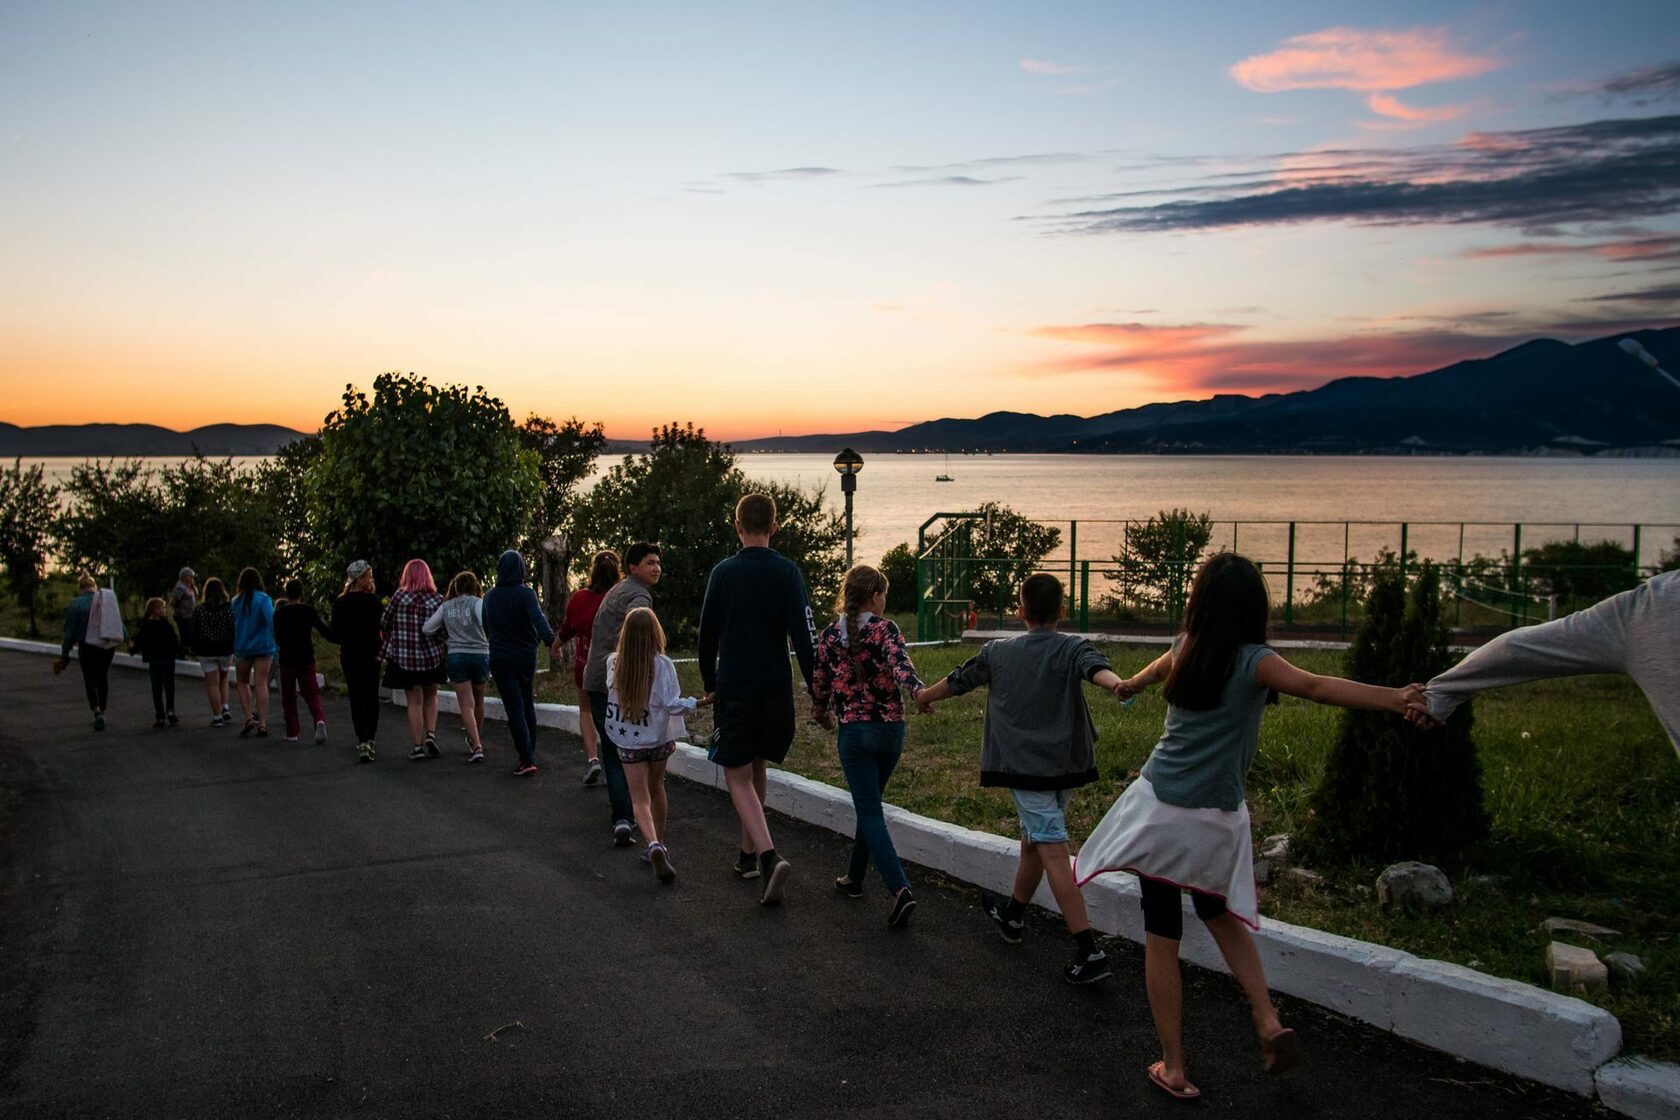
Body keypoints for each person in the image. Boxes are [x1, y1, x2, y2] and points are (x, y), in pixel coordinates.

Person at [1074, 553, 1422, 1102]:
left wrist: (1129, 686)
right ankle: (1265, 1017)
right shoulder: (1256, 661)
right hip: (1216, 818)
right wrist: (1395, 698)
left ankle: (1175, 1067)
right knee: (1220, 914)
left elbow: (1154, 672)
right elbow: (1319, 686)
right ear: (1253, 606)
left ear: (1200, 601)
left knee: (1161, 935)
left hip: (1159, 808)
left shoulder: (1187, 646)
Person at [915, 573, 1127, 982]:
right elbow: (1096, 668)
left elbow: (961, 680)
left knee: (1051, 848)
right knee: (1035, 839)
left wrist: (923, 696)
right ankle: (1012, 915)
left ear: (1020, 612)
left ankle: (1089, 949)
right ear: (1063, 612)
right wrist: (1116, 684)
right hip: (1064, 766)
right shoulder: (1072, 647)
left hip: (1025, 768)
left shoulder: (998, 652)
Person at [1406, 570, 1679, 755]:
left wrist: (1441, 694)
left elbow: (1514, 648)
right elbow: (1515, 649)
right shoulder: (1651, 608)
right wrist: (1442, 693)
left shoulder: (1651, 607)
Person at [697, 493, 818, 904]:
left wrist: (709, 681)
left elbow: (706, 634)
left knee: (735, 773)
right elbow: (805, 638)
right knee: (757, 763)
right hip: (775, 688)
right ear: (775, 526)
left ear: (737, 527)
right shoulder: (788, 572)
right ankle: (747, 856)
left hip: (736, 686)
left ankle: (768, 856)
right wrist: (817, 691)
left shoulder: (723, 573)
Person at [812, 564, 924, 928]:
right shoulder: (885, 628)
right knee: (870, 804)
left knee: (870, 809)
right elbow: (901, 667)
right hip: (890, 731)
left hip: (855, 734)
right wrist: (919, 693)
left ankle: (899, 890)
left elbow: (821, 683)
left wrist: (821, 712)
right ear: (875, 596)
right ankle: (854, 878)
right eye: (884, 594)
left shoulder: (829, 635)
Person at [605, 607, 706, 883]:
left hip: (628, 741)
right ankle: (661, 842)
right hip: (658, 740)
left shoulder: (614, 662)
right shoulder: (663, 665)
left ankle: (652, 844)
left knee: (638, 798)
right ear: (655, 633)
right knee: (657, 787)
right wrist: (699, 702)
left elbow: (611, 692)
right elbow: (672, 704)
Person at [584, 543, 662, 839]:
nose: (656, 568)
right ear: (632, 567)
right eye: (650, 563)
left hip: (597, 678)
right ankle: (626, 818)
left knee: (611, 747)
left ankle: (622, 817)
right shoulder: (639, 596)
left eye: (658, 563)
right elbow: (637, 634)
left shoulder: (618, 589)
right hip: (614, 682)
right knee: (623, 751)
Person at [483, 550, 558, 777]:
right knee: (527, 705)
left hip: (500, 657)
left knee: (514, 708)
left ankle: (526, 758)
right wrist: (549, 641)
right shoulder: (526, 594)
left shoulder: (490, 596)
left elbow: (486, 627)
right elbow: (538, 619)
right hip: (526, 657)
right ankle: (529, 753)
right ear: (521, 569)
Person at [558, 550, 620, 785]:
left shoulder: (579, 598)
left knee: (586, 710)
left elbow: (567, 628)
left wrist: (556, 645)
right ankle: (616, 759)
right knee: (615, 711)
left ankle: (593, 759)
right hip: (615, 664)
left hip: (586, 663)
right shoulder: (620, 597)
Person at [381, 559, 448, 761]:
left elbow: (384, 622)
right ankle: (431, 734)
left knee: (414, 701)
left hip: (406, 659)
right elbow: (443, 631)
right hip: (432, 658)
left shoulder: (399, 597)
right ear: (428, 576)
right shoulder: (437, 600)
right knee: (432, 695)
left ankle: (417, 746)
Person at [425, 571, 491, 763]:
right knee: (479, 701)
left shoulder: (446, 607)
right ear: (475, 586)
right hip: (480, 655)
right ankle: (474, 738)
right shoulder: (478, 603)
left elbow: (428, 628)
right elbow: (484, 622)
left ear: (455, 587)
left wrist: (447, 637)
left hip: (457, 656)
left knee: (466, 705)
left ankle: (476, 745)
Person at [56, 574, 123, 730]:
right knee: (102, 677)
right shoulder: (106, 601)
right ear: (94, 585)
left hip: (87, 647)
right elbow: (117, 622)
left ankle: (97, 711)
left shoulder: (76, 604)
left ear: (80, 587)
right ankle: (103, 710)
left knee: (90, 679)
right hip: (107, 646)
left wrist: (65, 653)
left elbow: (69, 632)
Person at [332, 561, 384, 762]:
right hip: (372, 655)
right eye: (369, 576)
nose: (371, 580)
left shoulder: (340, 604)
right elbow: (382, 629)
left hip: (350, 655)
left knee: (356, 697)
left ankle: (362, 740)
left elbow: (336, 632)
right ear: (359, 579)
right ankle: (371, 738)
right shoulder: (374, 602)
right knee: (372, 696)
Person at [274, 578, 336, 744]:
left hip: (287, 659)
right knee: (311, 692)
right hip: (306, 657)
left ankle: (292, 731)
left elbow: (277, 639)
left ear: (286, 594)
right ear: (302, 593)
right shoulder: (308, 611)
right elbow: (323, 630)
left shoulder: (279, 614)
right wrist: (338, 638)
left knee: (288, 696)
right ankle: (319, 720)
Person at [231, 567, 278, 738]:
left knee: (242, 682)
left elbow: (233, 625)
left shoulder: (235, 601)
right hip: (264, 647)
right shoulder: (264, 599)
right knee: (261, 683)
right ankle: (263, 724)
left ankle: (248, 718)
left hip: (242, 647)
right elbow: (272, 621)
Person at [191, 577, 236, 725]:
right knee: (224, 678)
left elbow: (194, 630)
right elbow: (232, 628)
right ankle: (225, 707)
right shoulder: (229, 609)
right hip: (225, 649)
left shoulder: (200, 609)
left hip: (206, 650)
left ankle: (217, 717)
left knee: (212, 684)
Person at [132, 596, 181, 728]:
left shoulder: (146, 626)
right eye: (163, 607)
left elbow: (139, 641)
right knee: (169, 685)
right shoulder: (166, 625)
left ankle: (160, 715)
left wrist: (133, 650)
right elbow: (174, 640)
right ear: (156, 610)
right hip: (168, 659)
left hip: (154, 660)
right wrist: (177, 650)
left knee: (156, 688)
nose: (165, 610)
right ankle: (170, 710)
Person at [170, 567, 197, 655]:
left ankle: (186, 651)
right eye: (190, 576)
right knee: (185, 635)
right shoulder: (180, 587)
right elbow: (174, 602)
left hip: (189, 615)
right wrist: (183, 608)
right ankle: (182, 653)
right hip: (182, 616)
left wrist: (193, 585)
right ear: (184, 576)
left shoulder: (188, 585)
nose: (192, 578)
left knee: (190, 633)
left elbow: (197, 594)